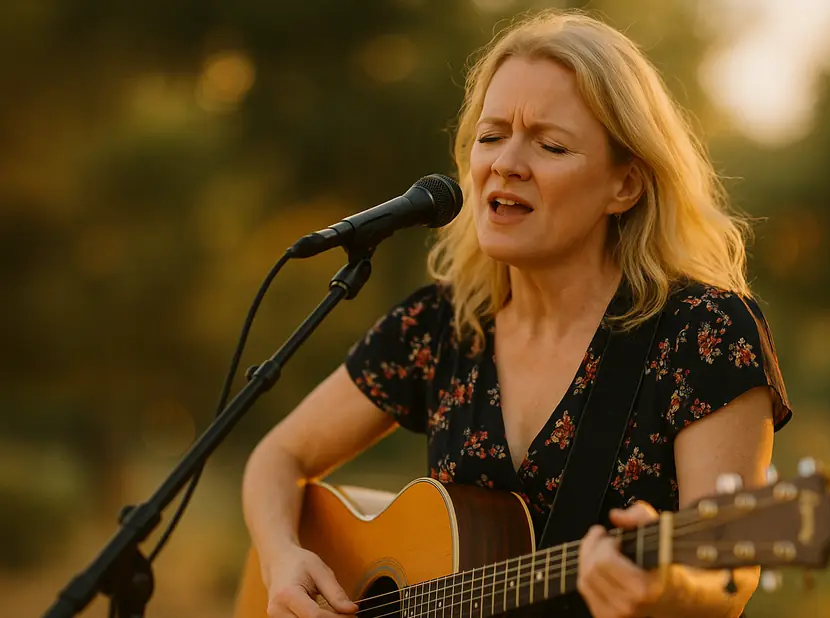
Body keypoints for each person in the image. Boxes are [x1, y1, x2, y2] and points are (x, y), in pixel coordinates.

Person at [241, 8, 793, 618]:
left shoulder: (705, 334)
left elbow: (728, 577)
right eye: (491, 135)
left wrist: (663, 587)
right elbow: (276, 458)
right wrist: (282, 560)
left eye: (551, 144)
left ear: (625, 185)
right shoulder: (442, 326)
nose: (506, 163)